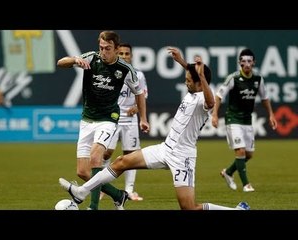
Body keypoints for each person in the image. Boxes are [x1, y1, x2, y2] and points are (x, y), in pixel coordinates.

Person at [59, 47, 249, 210]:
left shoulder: (204, 98)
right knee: (121, 161)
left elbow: (208, 99)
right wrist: (183, 62)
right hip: (165, 148)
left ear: (200, 82)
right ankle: (82, 191)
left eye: (189, 80)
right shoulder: (194, 89)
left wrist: (199, 75)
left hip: (183, 157)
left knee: (189, 208)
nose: (185, 81)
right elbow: (194, 79)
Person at [56, 30, 149, 210]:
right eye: (101, 47)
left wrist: (143, 118)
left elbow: (139, 93)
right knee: (83, 172)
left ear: (116, 49)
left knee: (95, 158)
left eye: (107, 48)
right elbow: (61, 63)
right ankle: (118, 195)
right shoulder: (92, 58)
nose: (103, 52)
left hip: (108, 119)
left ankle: (93, 207)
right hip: (87, 120)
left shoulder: (125, 70)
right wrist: (75, 60)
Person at [211, 48, 278, 192]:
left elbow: (265, 98)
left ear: (254, 62)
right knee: (240, 151)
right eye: (243, 61)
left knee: (249, 154)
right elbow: (219, 96)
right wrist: (215, 114)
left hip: (247, 120)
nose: (246, 64)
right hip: (233, 119)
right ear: (239, 63)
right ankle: (246, 185)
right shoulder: (233, 78)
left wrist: (271, 115)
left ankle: (228, 172)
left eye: (249, 61)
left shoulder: (258, 79)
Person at [101, 43, 148, 201]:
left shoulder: (138, 75)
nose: (124, 56)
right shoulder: (109, 72)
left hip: (130, 120)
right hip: (112, 118)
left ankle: (129, 190)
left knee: (131, 155)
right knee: (107, 152)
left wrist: (137, 108)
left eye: (127, 53)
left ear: (131, 56)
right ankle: (103, 186)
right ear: (116, 54)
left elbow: (143, 94)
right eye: (121, 53)